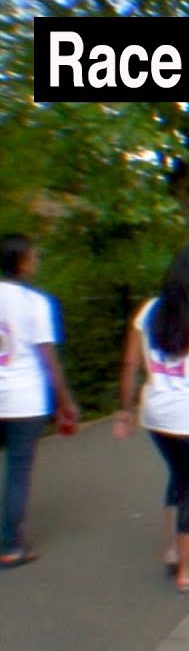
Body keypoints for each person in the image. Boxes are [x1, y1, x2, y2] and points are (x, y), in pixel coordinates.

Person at [112, 244, 189, 591]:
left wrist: (125, 409)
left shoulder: (149, 311)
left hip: (156, 414)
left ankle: (171, 551)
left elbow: (131, 364)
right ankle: (187, 571)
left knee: (177, 478)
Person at [0, 233, 79, 569]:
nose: (36, 261)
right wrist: (66, 401)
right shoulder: (35, 303)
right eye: (34, 256)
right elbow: (49, 357)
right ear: (21, 262)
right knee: (18, 470)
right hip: (23, 399)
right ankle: (10, 545)